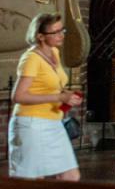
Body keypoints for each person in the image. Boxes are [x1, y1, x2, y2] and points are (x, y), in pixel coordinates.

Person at [9, 13, 81, 180]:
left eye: (62, 30)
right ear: (40, 36)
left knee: (70, 175)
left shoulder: (54, 52)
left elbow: (49, 85)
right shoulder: (31, 59)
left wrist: (66, 95)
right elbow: (18, 96)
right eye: (55, 32)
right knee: (31, 180)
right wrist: (59, 98)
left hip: (53, 122)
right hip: (31, 124)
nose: (61, 35)